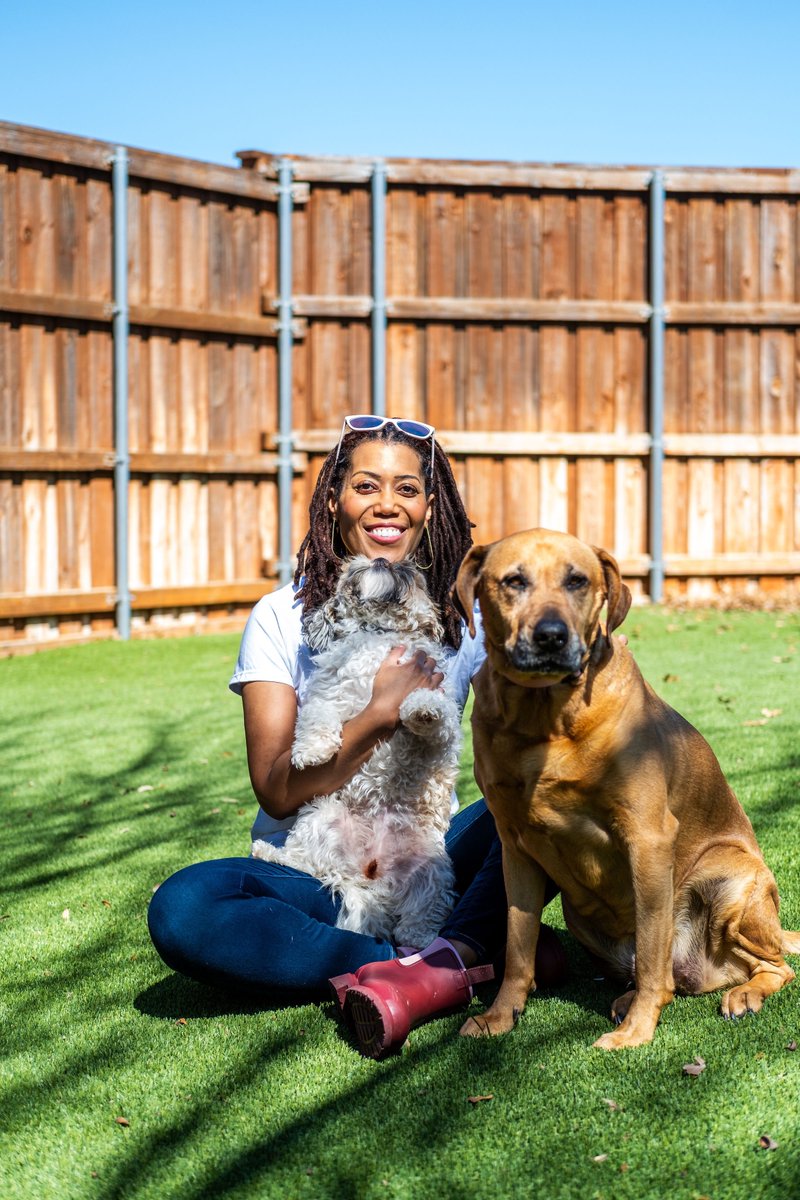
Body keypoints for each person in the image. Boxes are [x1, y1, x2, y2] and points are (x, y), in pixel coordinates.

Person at [148, 415, 565, 1058]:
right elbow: (278, 792)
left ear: (433, 506)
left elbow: (530, 737)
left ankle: (435, 954)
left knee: (544, 799)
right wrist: (377, 714)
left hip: (429, 852)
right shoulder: (281, 617)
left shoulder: (464, 620)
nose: (387, 506)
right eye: (367, 486)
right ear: (334, 499)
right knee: (184, 906)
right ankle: (435, 959)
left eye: (408, 488)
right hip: (316, 867)